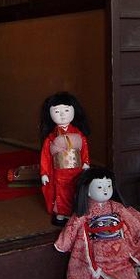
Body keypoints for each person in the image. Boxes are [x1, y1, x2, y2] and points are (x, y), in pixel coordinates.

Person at [54, 167, 140, 279]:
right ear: (87, 190)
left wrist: (138, 223)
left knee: (121, 267)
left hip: (117, 247)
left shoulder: (116, 207)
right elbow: (73, 226)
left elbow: (132, 219)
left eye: (109, 186)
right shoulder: (84, 212)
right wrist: (63, 243)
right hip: (94, 248)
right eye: (100, 187)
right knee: (93, 270)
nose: (106, 190)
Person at [39, 91, 91, 226]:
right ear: (50, 114)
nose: (62, 115)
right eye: (57, 111)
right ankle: (60, 215)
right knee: (60, 193)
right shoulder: (50, 137)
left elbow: (84, 148)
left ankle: (73, 213)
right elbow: (45, 155)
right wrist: (44, 173)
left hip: (76, 170)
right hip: (59, 171)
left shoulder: (79, 134)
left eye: (66, 110)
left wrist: (85, 162)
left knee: (74, 191)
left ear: (74, 111)